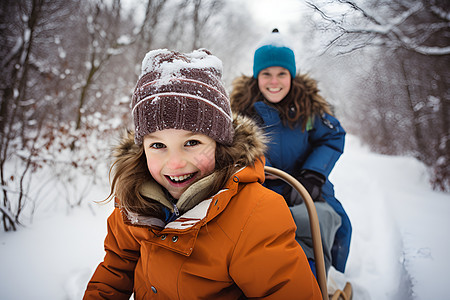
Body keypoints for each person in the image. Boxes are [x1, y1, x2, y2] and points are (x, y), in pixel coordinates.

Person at [83, 49, 321, 299]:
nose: (174, 164)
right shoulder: (134, 203)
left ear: (219, 144)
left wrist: (314, 173)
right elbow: (115, 269)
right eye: (158, 145)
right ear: (141, 149)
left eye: (192, 142)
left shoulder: (254, 216)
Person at [230, 29, 352, 276]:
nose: (274, 82)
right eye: (267, 74)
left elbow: (332, 136)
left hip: (304, 188)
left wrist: (313, 175)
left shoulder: (309, 108)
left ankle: (312, 279)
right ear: (257, 76)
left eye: (281, 74)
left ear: (291, 75)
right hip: (256, 189)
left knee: (318, 221)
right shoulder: (240, 110)